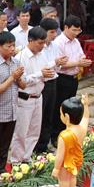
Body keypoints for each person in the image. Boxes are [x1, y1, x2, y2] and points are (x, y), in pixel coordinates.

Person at [10, 27, 56, 164]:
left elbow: (45, 72)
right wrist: (40, 74)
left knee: (34, 131)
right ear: (30, 40)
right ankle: (16, 160)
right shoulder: (20, 57)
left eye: (44, 43)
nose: (42, 46)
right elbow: (22, 82)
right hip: (24, 98)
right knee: (21, 132)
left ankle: (27, 157)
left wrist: (47, 73)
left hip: (38, 96)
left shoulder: (42, 55)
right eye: (40, 43)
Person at [0, 32, 26, 177]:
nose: (12, 49)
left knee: (5, 144)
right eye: (8, 46)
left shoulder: (16, 62)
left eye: (13, 45)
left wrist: (18, 78)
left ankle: (1, 170)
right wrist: (12, 77)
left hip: (12, 110)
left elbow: (23, 85)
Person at [51, 16, 92, 145]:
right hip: (62, 79)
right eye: (74, 30)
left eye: (78, 31)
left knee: (71, 107)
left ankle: (68, 133)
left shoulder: (76, 42)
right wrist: (78, 63)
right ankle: (56, 136)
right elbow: (60, 65)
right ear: (66, 27)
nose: (76, 33)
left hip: (74, 78)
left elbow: (81, 55)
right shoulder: (58, 43)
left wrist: (83, 61)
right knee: (60, 108)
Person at [35, 18, 67, 154]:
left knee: (50, 114)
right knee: (39, 116)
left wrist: (59, 63)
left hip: (53, 81)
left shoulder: (54, 45)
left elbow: (56, 65)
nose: (55, 35)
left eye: (56, 32)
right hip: (42, 83)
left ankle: (44, 145)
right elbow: (42, 66)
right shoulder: (38, 47)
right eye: (52, 32)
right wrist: (55, 62)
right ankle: (35, 146)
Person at [51, 95, 90, 187]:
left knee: (63, 179)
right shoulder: (82, 129)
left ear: (67, 117)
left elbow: (60, 155)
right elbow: (86, 118)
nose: (60, 116)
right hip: (77, 160)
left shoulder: (65, 135)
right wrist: (86, 105)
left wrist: (56, 168)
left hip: (66, 163)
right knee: (73, 177)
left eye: (61, 114)